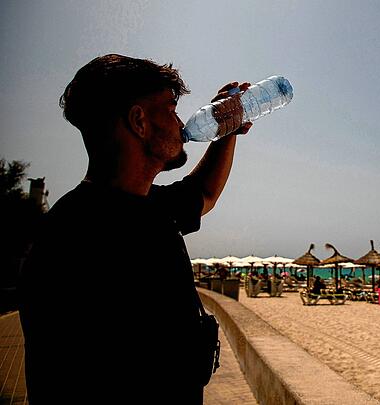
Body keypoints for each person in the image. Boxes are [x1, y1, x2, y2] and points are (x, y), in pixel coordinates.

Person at [18, 54, 252, 404]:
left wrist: (226, 130)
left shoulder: (149, 206)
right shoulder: (72, 241)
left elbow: (203, 192)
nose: (179, 122)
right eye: (171, 108)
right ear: (139, 121)